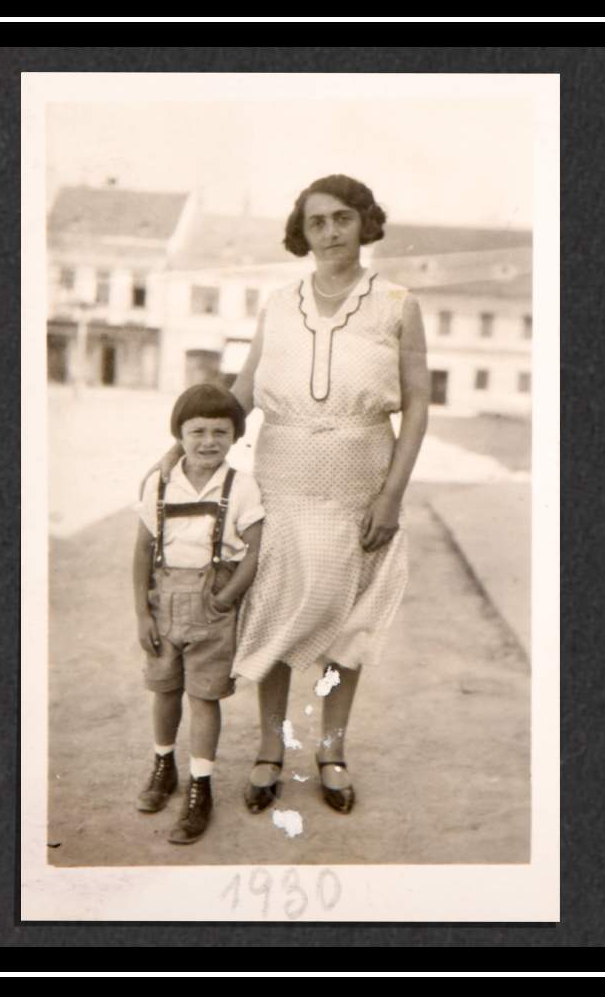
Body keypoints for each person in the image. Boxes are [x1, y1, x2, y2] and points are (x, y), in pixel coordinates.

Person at [150, 174, 429, 816]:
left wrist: (391, 496)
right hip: (283, 476)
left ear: (365, 223)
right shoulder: (278, 303)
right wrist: (183, 446)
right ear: (300, 234)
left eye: (341, 219)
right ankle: (270, 750)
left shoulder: (396, 303)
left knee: (347, 621)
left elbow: (416, 407)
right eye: (316, 223)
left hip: (361, 478)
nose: (329, 232)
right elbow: (241, 392)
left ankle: (331, 749)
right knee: (273, 610)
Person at [132, 384, 265, 844]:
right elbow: (143, 548)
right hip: (164, 601)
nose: (208, 441)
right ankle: (163, 766)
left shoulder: (241, 486)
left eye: (220, 432)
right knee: (164, 690)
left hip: (212, 605)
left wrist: (227, 597)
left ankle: (200, 787)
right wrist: (141, 615)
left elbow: (256, 549)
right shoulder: (161, 483)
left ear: (235, 437)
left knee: (203, 697)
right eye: (197, 431)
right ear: (179, 434)